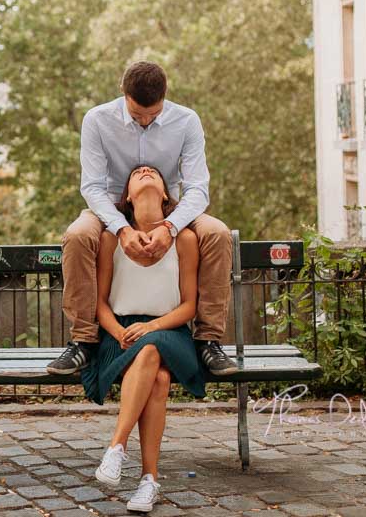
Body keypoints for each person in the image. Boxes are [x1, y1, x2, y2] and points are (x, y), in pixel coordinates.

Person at [47, 61, 237, 377]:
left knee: (217, 232)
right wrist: (121, 227)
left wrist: (171, 225)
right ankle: (83, 341)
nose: (146, 121)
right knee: (78, 235)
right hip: (109, 206)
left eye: (154, 115)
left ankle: (208, 341)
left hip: (170, 207)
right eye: (138, 116)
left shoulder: (187, 121)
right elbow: (92, 187)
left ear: (165, 98)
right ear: (124, 95)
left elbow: (198, 188)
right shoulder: (97, 120)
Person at [82, 164, 206, 512]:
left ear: (166, 194)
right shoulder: (112, 238)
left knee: (151, 348)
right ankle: (148, 480)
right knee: (158, 377)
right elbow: (101, 304)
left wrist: (152, 328)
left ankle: (116, 447)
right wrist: (119, 331)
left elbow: (189, 306)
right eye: (137, 173)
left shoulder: (184, 239)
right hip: (119, 333)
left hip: (169, 330)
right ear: (127, 197)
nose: (146, 171)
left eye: (154, 172)